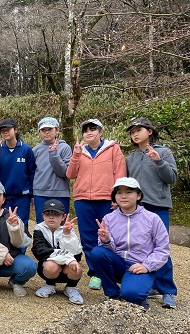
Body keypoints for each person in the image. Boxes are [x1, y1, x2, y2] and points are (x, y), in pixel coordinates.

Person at [89, 177, 170, 310]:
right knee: (97, 252)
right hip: (119, 263)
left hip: (139, 266)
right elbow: (105, 252)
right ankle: (113, 295)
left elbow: (163, 249)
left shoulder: (152, 218)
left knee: (131, 295)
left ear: (138, 195)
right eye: (119, 192)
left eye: (129, 192)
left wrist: (147, 266)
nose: (123, 196)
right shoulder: (109, 219)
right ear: (115, 196)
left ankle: (136, 293)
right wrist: (106, 241)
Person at [65, 118, 126, 290]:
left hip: (106, 198)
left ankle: (112, 270)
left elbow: (120, 173)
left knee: (109, 236)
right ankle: (96, 273)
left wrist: (117, 198)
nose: (89, 133)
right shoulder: (80, 151)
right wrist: (76, 154)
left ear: (100, 131)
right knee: (88, 237)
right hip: (83, 199)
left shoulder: (113, 148)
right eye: (85, 130)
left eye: (93, 129)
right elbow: (70, 174)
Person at [126, 117, 178, 308]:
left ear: (149, 131)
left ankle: (168, 291)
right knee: (141, 247)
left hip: (158, 206)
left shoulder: (163, 152)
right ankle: (150, 286)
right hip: (137, 208)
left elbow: (172, 178)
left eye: (139, 130)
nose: (135, 134)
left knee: (160, 247)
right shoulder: (130, 158)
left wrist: (158, 161)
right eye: (132, 132)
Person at [0, 119, 36, 227]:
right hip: (4, 196)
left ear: (15, 130)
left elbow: (32, 173)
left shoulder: (26, 149)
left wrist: (32, 194)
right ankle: (6, 245)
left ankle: (22, 244)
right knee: (5, 224)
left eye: (8, 129)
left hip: (23, 195)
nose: (5, 132)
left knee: (21, 223)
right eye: (3, 131)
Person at [31, 199, 83, 304]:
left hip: (67, 269)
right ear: (43, 216)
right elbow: (39, 251)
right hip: (49, 268)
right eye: (47, 213)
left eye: (56, 214)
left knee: (76, 266)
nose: (51, 217)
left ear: (63, 217)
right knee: (50, 266)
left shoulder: (69, 229)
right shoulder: (39, 229)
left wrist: (67, 235)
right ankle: (50, 284)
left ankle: (71, 288)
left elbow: (77, 255)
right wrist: (67, 258)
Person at [32, 117, 72, 222]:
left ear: (57, 130)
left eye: (50, 129)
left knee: (61, 226)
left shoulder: (64, 148)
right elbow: (31, 173)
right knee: (41, 226)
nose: (46, 132)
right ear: (39, 132)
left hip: (60, 193)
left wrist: (54, 154)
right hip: (40, 193)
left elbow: (64, 173)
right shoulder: (35, 150)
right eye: (43, 130)